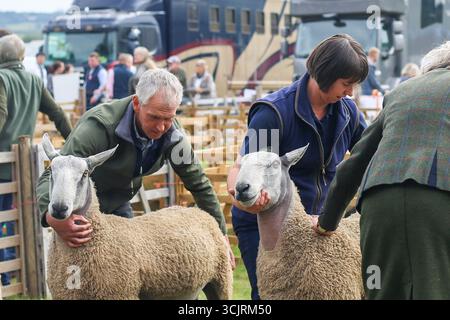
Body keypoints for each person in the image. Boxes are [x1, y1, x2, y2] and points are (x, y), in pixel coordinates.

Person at [36, 69, 235, 268]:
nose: (161, 127)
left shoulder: (172, 135)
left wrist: (221, 235)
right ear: (137, 103)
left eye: (168, 118)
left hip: (119, 203)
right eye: (154, 117)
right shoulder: (98, 128)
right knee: (80, 279)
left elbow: (198, 183)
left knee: (129, 272)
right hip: (81, 214)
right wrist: (53, 218)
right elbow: (52, 172)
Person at [226, 34, 368, 300]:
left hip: (317, 220)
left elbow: (371, 152)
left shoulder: (347, 111)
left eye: (354, 85)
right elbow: (244, 167)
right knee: (273, 293)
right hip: (266, 221)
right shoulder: (274, 112)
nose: (351, 92)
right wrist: (246, 200)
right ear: (324, 74)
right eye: (346, 83)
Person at [314, 41, 450, 300]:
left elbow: (355, 162)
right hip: (439, 204)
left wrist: (327, 222)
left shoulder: (401, 92)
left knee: (381, 289)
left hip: (378, 205)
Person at [0, 34, 72, 286]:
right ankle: (13, 274)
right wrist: (73, 142)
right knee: (16, 219)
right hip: (24, 167)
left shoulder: (1, 78)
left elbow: (0, 114)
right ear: (21, 56)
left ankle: (5, 276)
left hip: (2, 165)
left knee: (3, 219)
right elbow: (57, 112)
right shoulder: (33, 80)